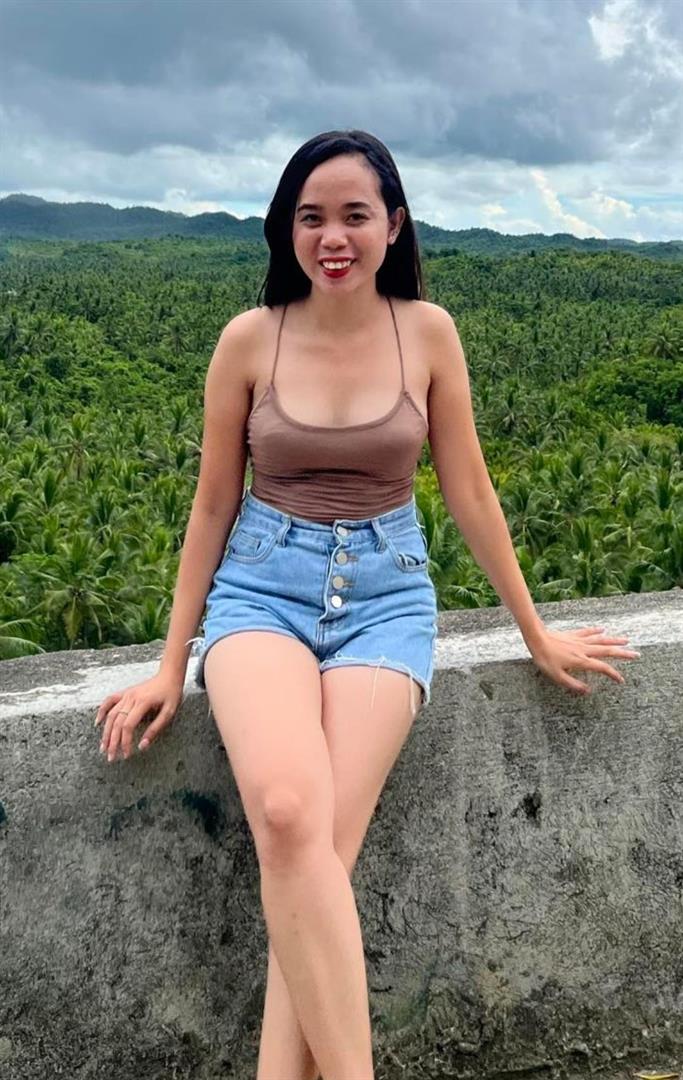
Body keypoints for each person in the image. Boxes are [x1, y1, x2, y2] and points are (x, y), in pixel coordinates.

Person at [95, 129, 639, 1080]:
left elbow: (469, 490)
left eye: (354, 215)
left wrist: (533, 629)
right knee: (288, 815)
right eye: (311, 217)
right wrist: (169, 664)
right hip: (260, 590)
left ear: (393, 224)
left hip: (386, 600)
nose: (333, 237)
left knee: (314, 860)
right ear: (286, 229)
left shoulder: (426, 332)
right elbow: (213, 504)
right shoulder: (249, 338)